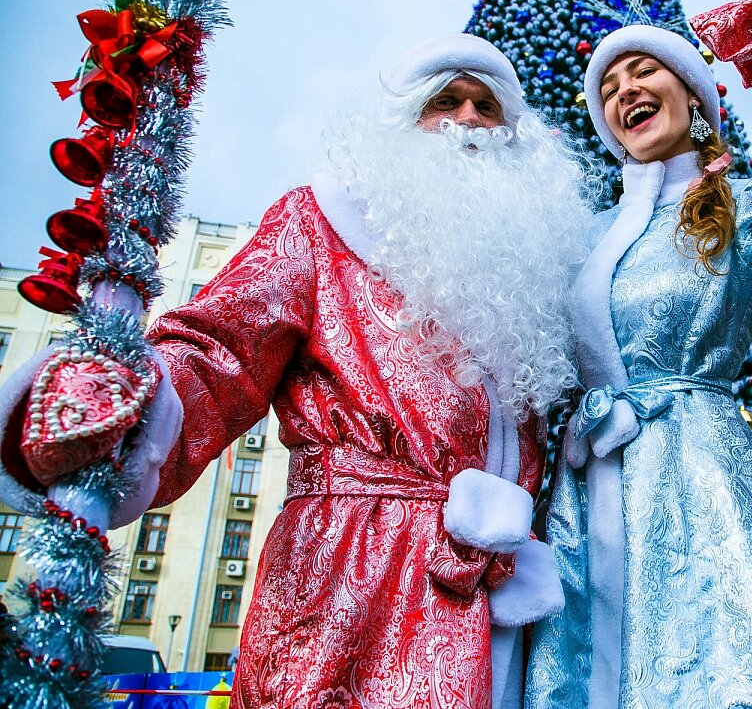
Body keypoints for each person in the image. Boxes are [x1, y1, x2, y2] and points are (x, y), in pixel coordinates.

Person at [0, 34, 597, 708]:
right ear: (402, 124)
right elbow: (219, 349)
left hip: (499, 603)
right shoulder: (320, 223)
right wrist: (129, 400)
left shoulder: (529, 282)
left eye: (486, 106)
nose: (466, 120)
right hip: (346, 583)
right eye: (445, 101)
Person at [524, 5, 752, 709]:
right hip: (589, 492)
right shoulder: (589, 238)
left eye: (643, 71)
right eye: (608, 87)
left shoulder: (745, 201)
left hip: (700, 480)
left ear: (692, 94)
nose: (624, 90)